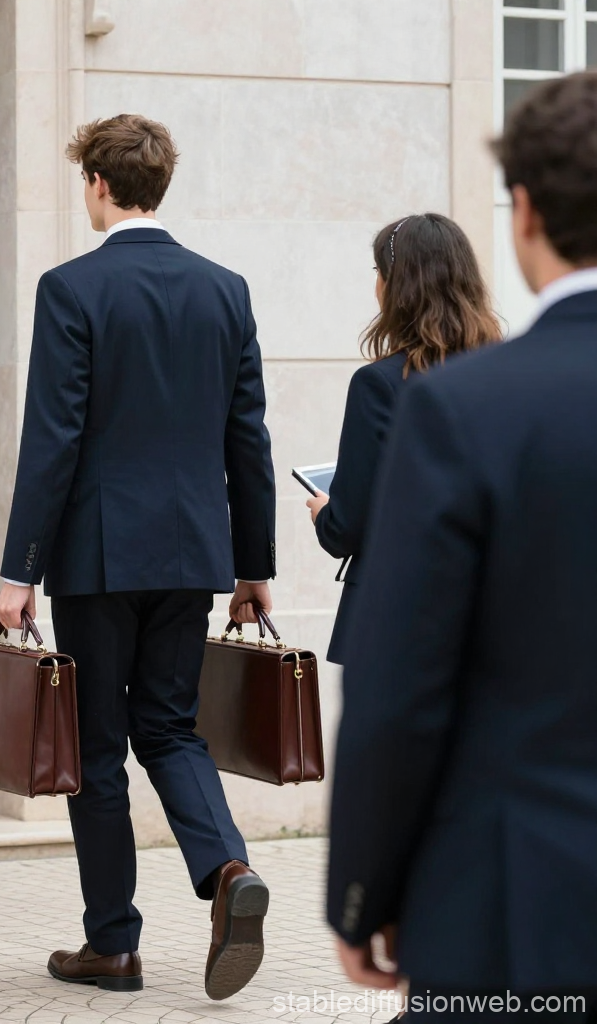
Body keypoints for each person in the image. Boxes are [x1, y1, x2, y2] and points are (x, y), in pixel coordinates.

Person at [327, 71, 597, 1020]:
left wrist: (363, 889)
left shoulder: (457, 407)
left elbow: (401, 689)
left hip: (511, 887)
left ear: (524, 210)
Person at [0, 115, 277, 1000]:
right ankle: (228, 870)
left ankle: (113, 944)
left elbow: (53, 442)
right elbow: (249, 441)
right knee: (171, 726)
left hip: (99, 557)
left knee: (101, 744)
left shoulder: (71, 288)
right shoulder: (225, 290)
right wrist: (253, 564)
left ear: (99, 186)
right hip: (194, 553)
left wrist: (17, 571)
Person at [307, 214, 499, 666]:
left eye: (379, 273)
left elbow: (348, 526)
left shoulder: (379, 384)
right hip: (490, 612)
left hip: (399, 616)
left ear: (397, 286)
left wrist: (323, 514)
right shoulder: (504, 375)